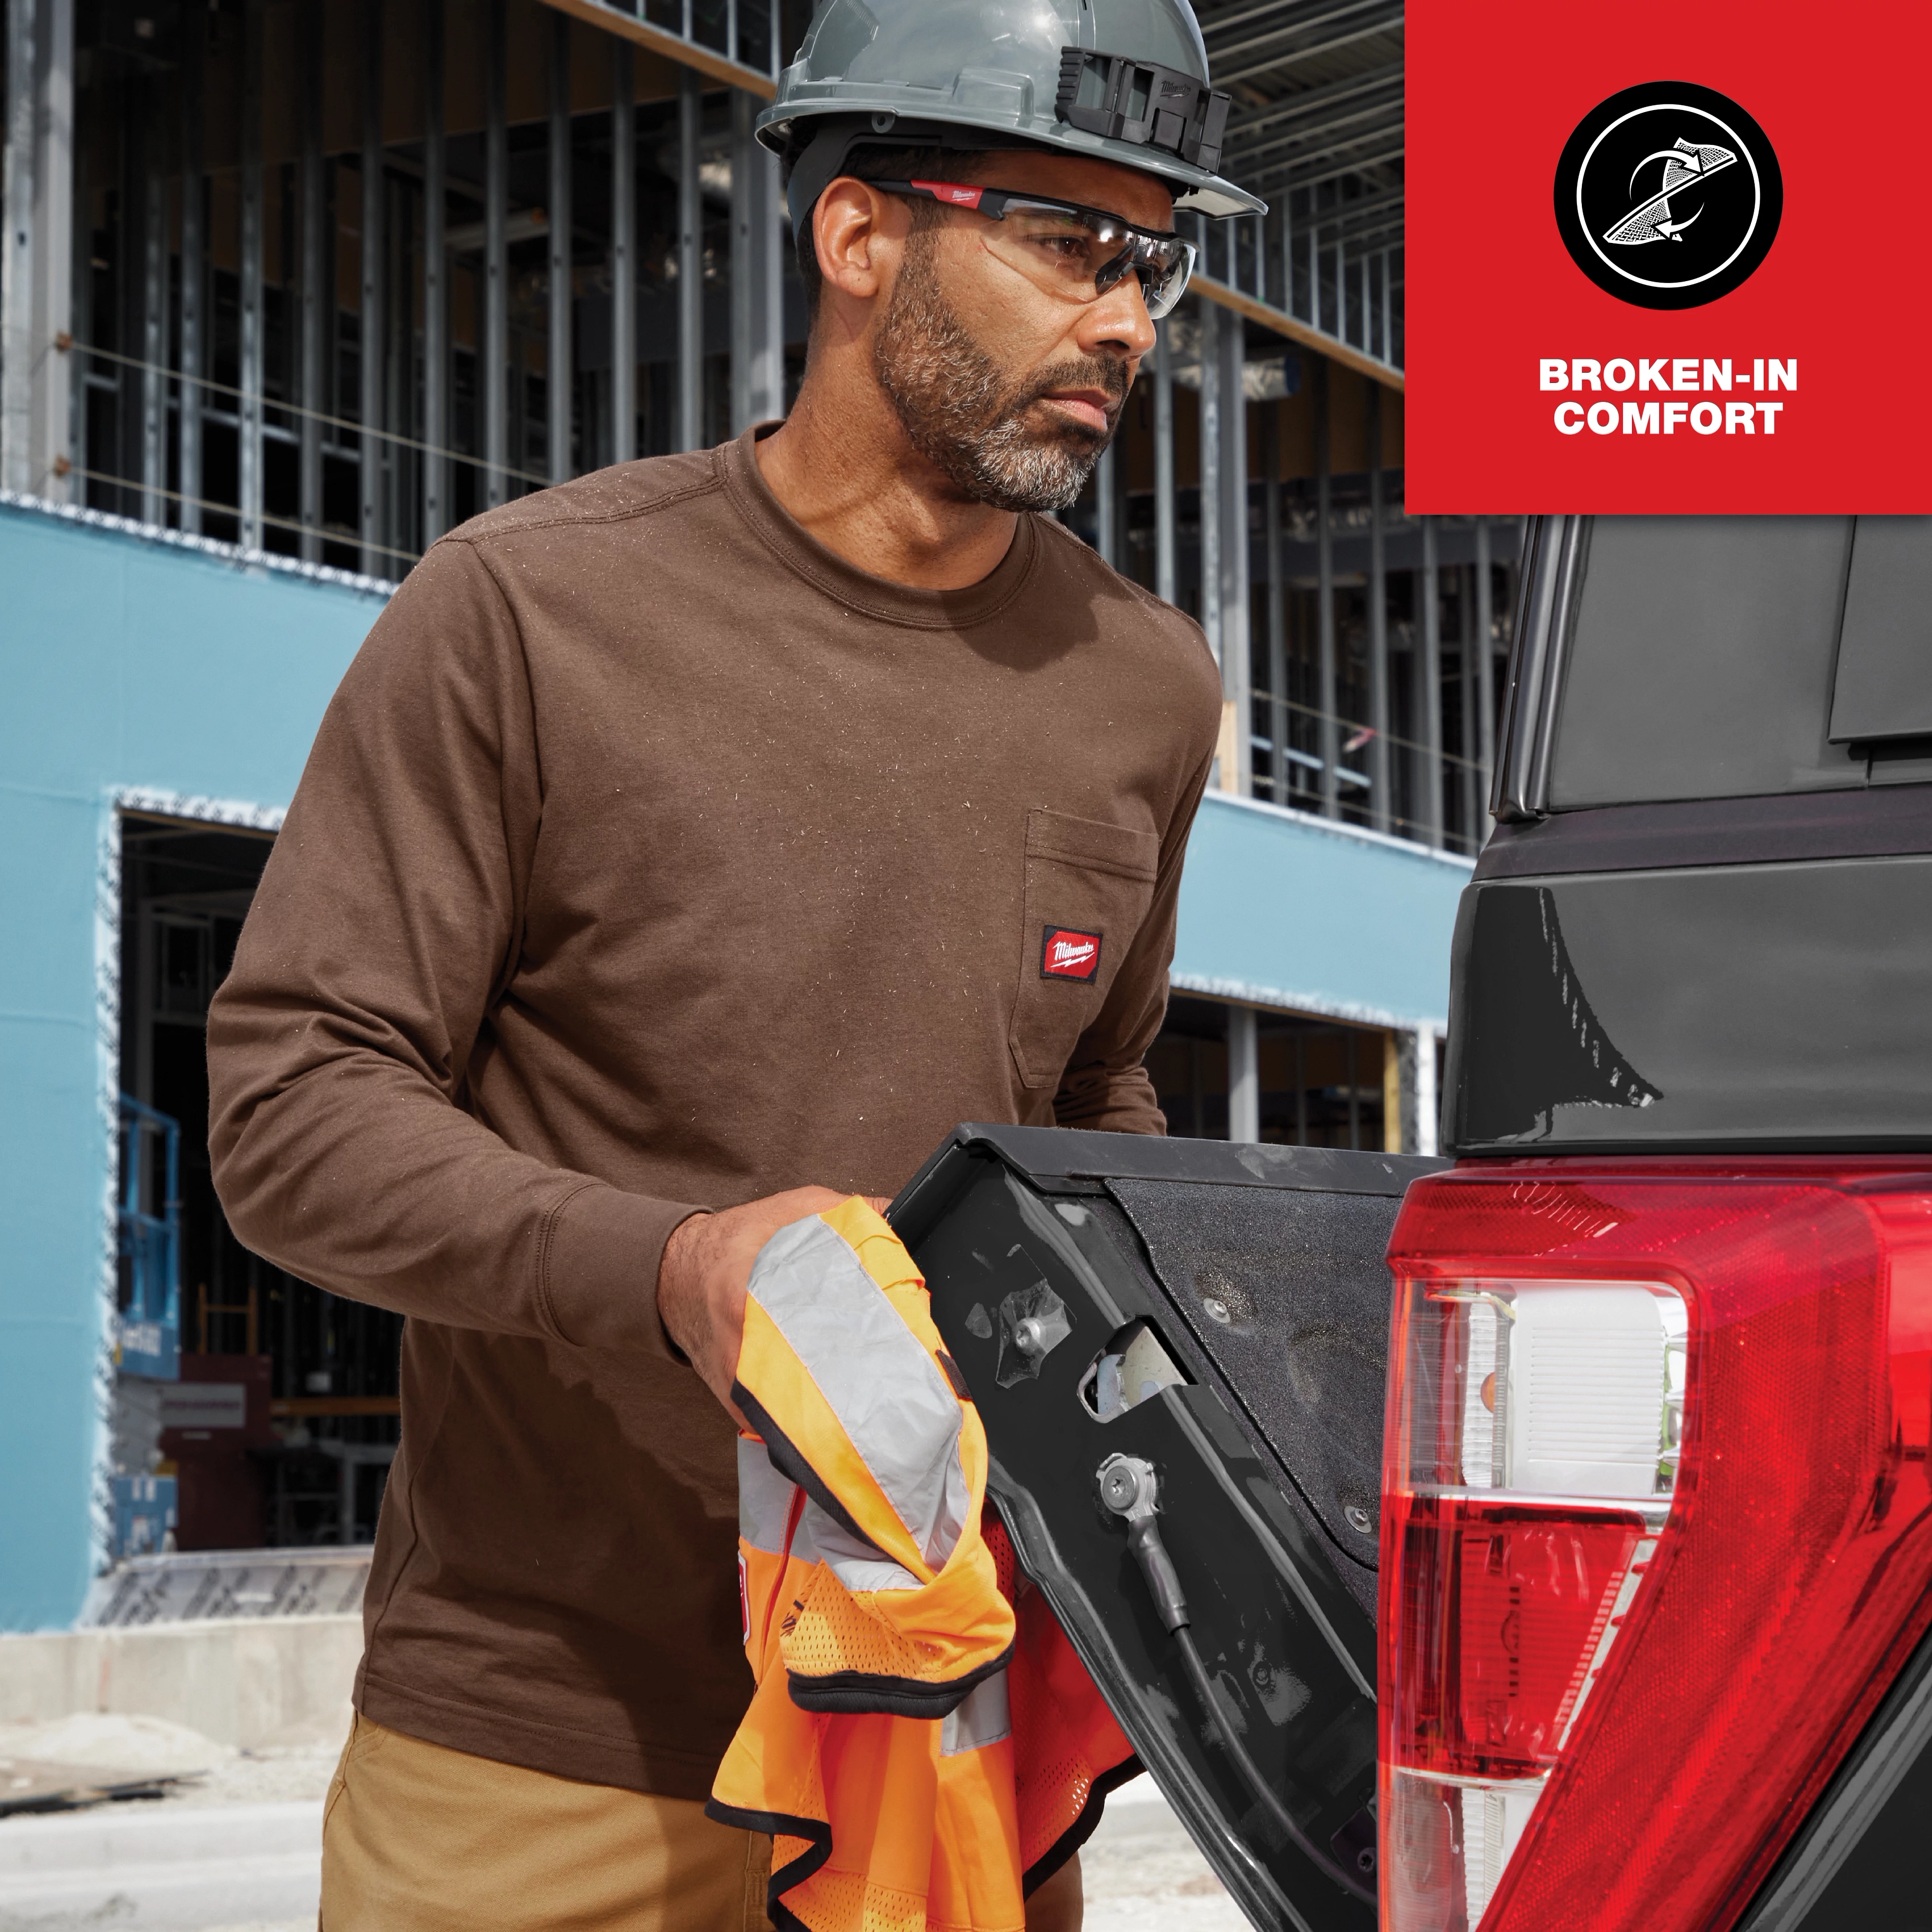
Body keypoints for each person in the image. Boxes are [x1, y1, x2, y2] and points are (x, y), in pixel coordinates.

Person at [206, 3, 1259, 1926]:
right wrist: (674, 1266)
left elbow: (1096, 1103)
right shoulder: (532, 613)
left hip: (947, 1729)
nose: (1121, 321)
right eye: (1064, 242)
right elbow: (296, 1110)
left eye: (1152, 265)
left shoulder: (1142, 686)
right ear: (857, 239)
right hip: (547, 1746)